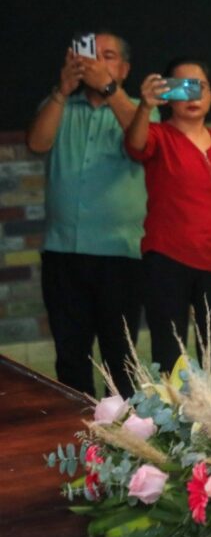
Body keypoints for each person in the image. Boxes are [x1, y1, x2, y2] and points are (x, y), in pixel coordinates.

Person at [25, 32, 150, 399]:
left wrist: (110, 90)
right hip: (63, 250)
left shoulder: (144, 109)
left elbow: (143, 140)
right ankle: (74, 432)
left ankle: (125, 439)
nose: (95, 63)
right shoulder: (60, 105)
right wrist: (62, 90)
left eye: (107, 56)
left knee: (119, 355)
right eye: (88, 55)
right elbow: (36, 143)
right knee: (70, 354)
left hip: (121, 254)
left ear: (124, 69)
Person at [125, 58, 211, 372]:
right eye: (183, 87)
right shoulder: (159, 135)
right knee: (168, 351)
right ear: (169, 94)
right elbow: (135, 145)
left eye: (199, 86)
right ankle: (169, 420)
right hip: (168, 259)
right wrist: (145, 106)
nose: (192, 96)